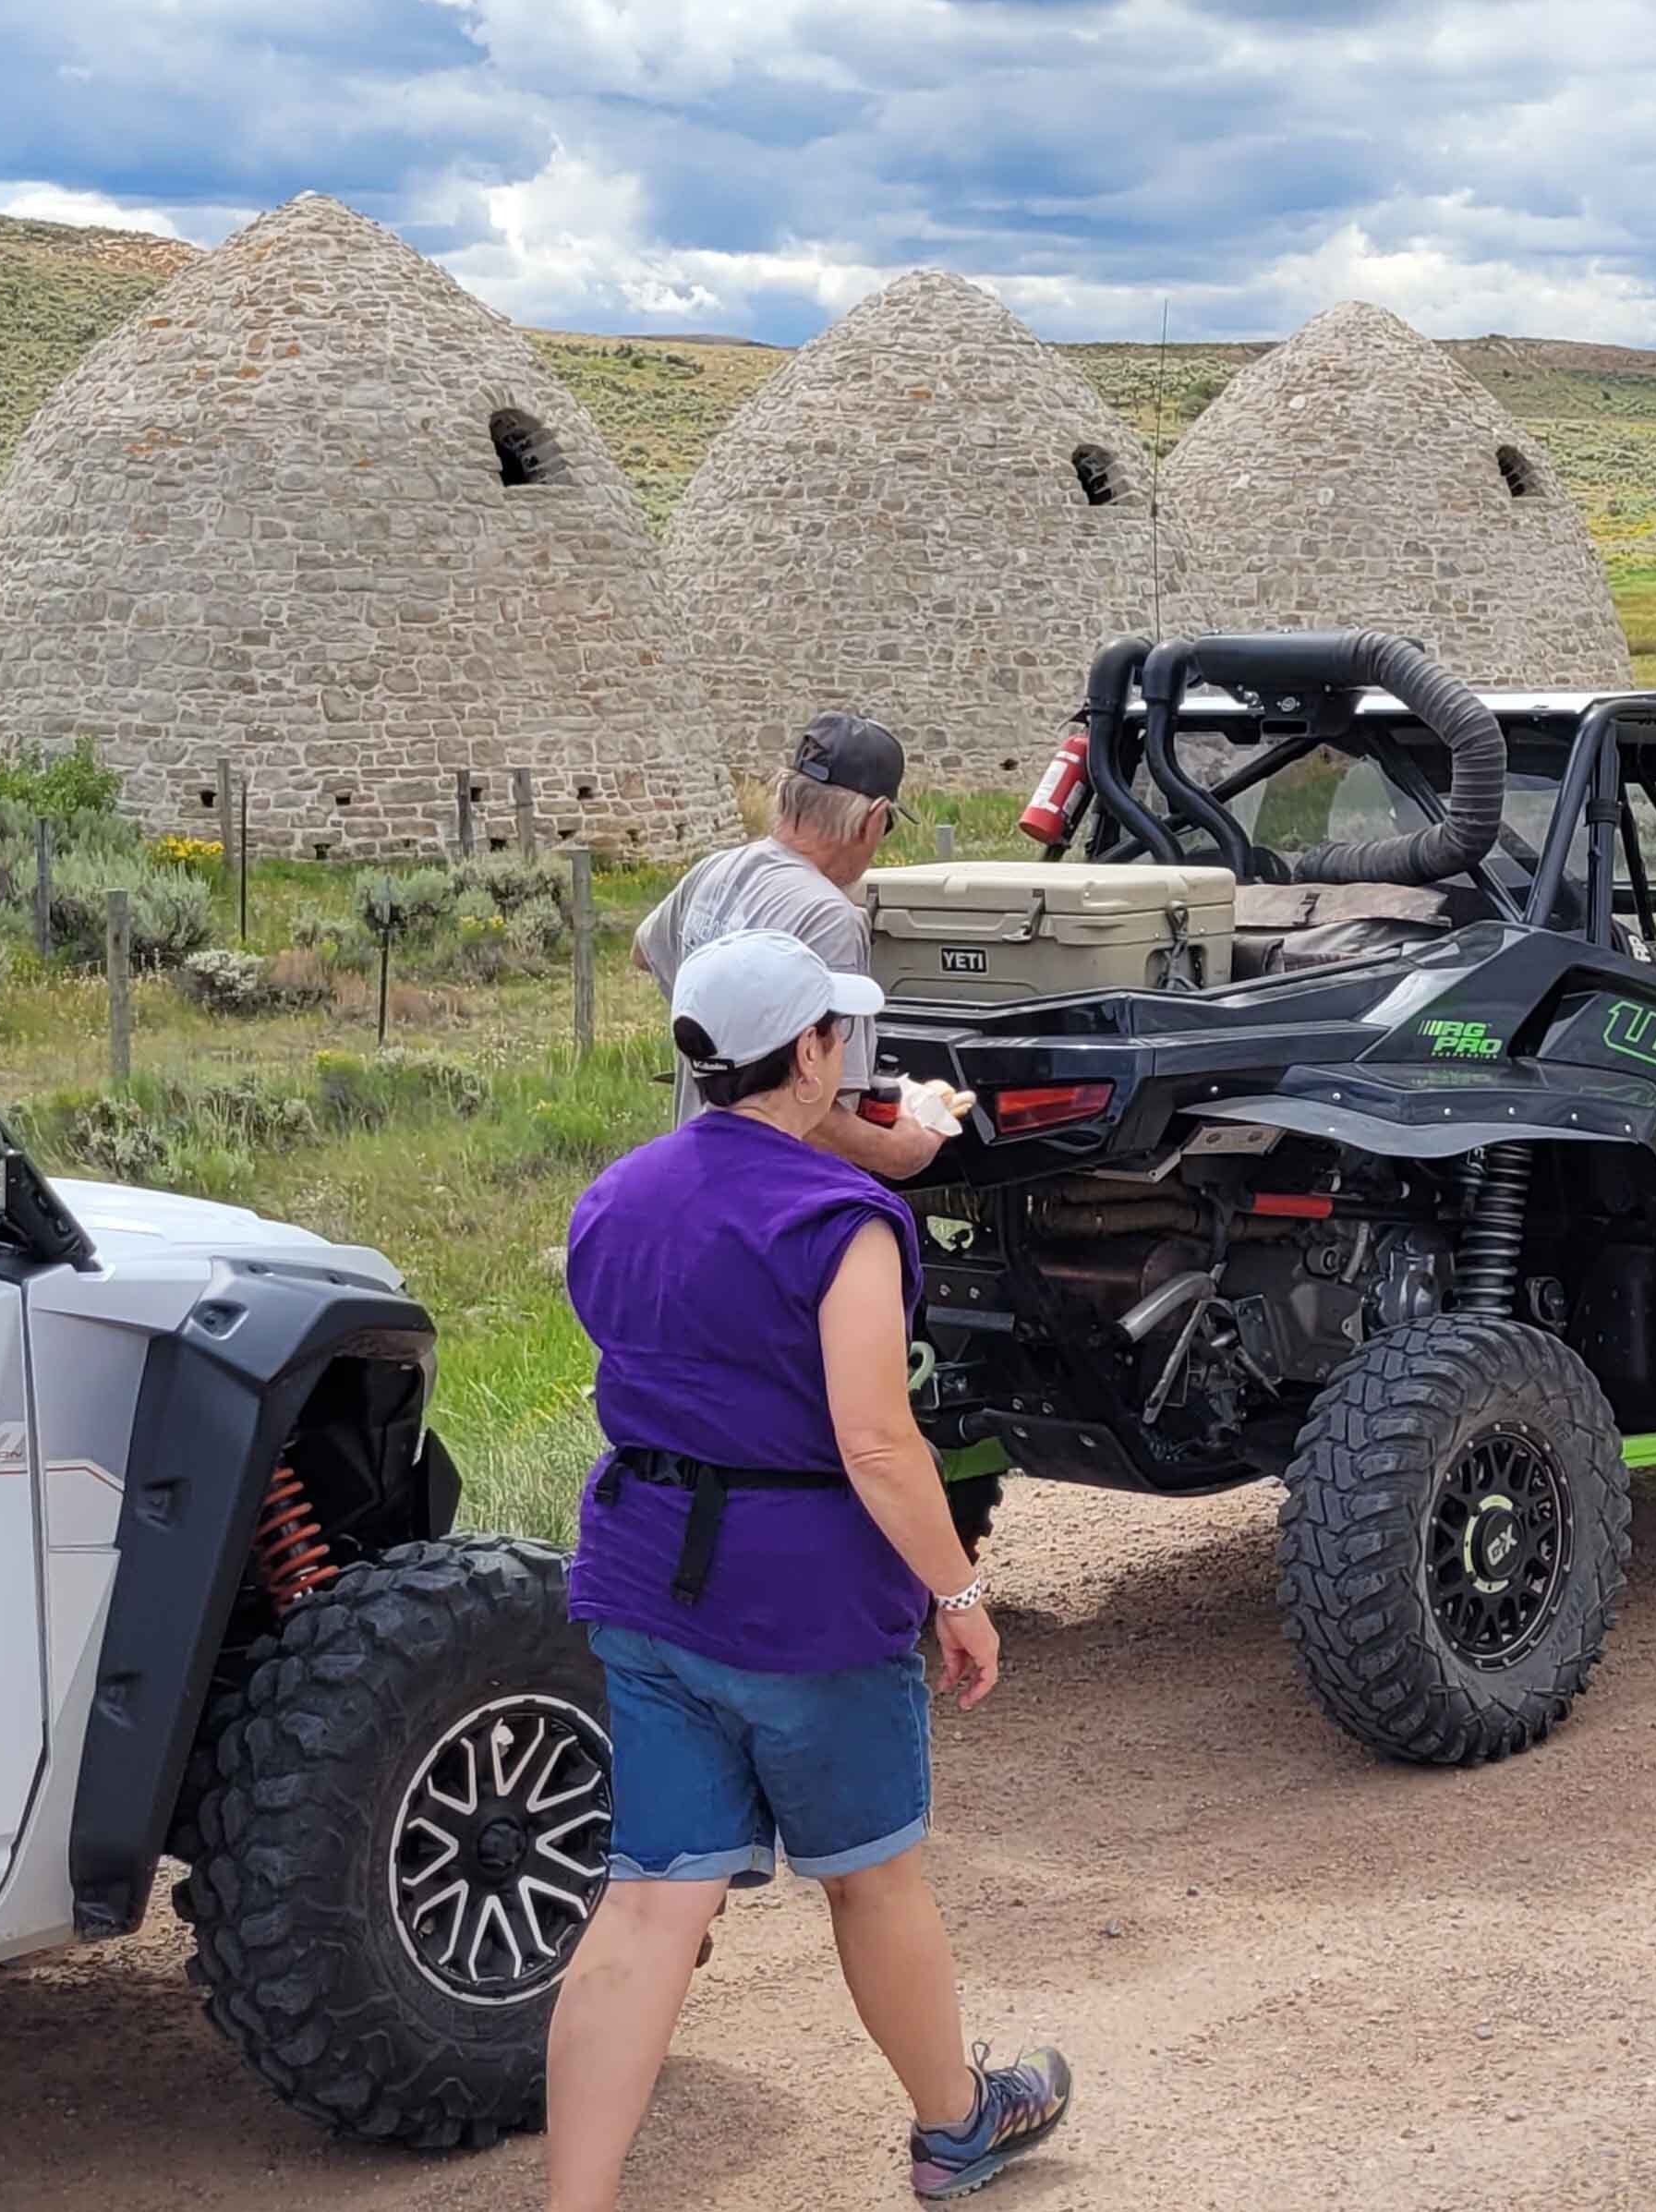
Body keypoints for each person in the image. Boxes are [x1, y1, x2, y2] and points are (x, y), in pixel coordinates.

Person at [544, 932, 1073, 2210]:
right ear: (818, 1049)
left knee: (649, 1908)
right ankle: (957, 2130)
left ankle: (575, 2204)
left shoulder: (614, 1195)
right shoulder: (844, 1223)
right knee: (871, 1877)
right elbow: (878, 1443)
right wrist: (957, 1593)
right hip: (807, 1607)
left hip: (646, 1578)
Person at [635, 714, 962, 1183]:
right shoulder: (828, 917)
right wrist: (902, 1150)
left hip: (697, 1173)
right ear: (872, 821)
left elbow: (643, 950)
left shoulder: (714, 871)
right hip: (777, 1193)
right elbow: (810, 1107)